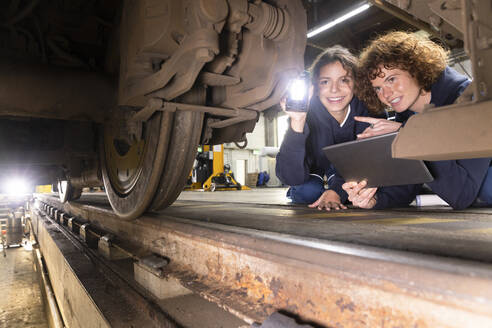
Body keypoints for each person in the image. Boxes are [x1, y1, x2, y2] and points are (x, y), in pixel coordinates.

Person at [342, 31, 492, 210]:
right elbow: (408, 184)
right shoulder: (407, 115)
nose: (386, 95)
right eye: (378, 89)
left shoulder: (472, 100)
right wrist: (374, 200)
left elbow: (462, 194)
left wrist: (408, 133)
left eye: (392, 79)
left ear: (416, 69)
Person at [276, 46, 370, 210]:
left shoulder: (366, 111)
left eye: (344, 80)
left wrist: (336, 191)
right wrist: (297, 121)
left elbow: (369, 163)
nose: (334, 90)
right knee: (307, 193)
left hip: (349, 170)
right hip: (313, 167)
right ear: (314, 88)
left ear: (356, 84)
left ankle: (335, 182)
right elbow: (289, 176)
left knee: (353, 191)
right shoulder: (303, 111)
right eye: (325, 82)